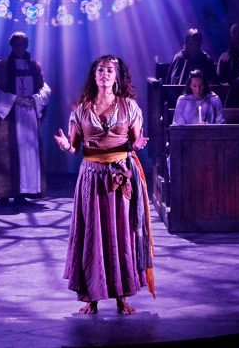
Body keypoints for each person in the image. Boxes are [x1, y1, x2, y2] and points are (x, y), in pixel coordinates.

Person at [54, 55, 154, 316]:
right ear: (94, 75)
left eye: (110, 70)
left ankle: (122, 296)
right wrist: (66, 146)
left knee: (120, 234)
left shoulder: (129, 107)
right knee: (92, 234)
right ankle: (91, 297)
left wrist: (137, 144)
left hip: (119, 178)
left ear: (117, 76)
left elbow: (135, 140)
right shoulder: (82, 109)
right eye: (100, 70)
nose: (105, 74)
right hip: (92, 177)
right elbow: (74, 146)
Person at [0, 32, 51, 206]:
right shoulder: (1, 66)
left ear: (27, 45)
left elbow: (45, 88)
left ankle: (23, 191)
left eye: (22, 44)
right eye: (16, 44)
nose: (19, 48)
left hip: (29, 114)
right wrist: (14, 99)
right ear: (11, 45)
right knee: (7, 153)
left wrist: (35, 98)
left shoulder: (34, 66)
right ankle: (5, 193)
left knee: (27, 152)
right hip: (9, 116)